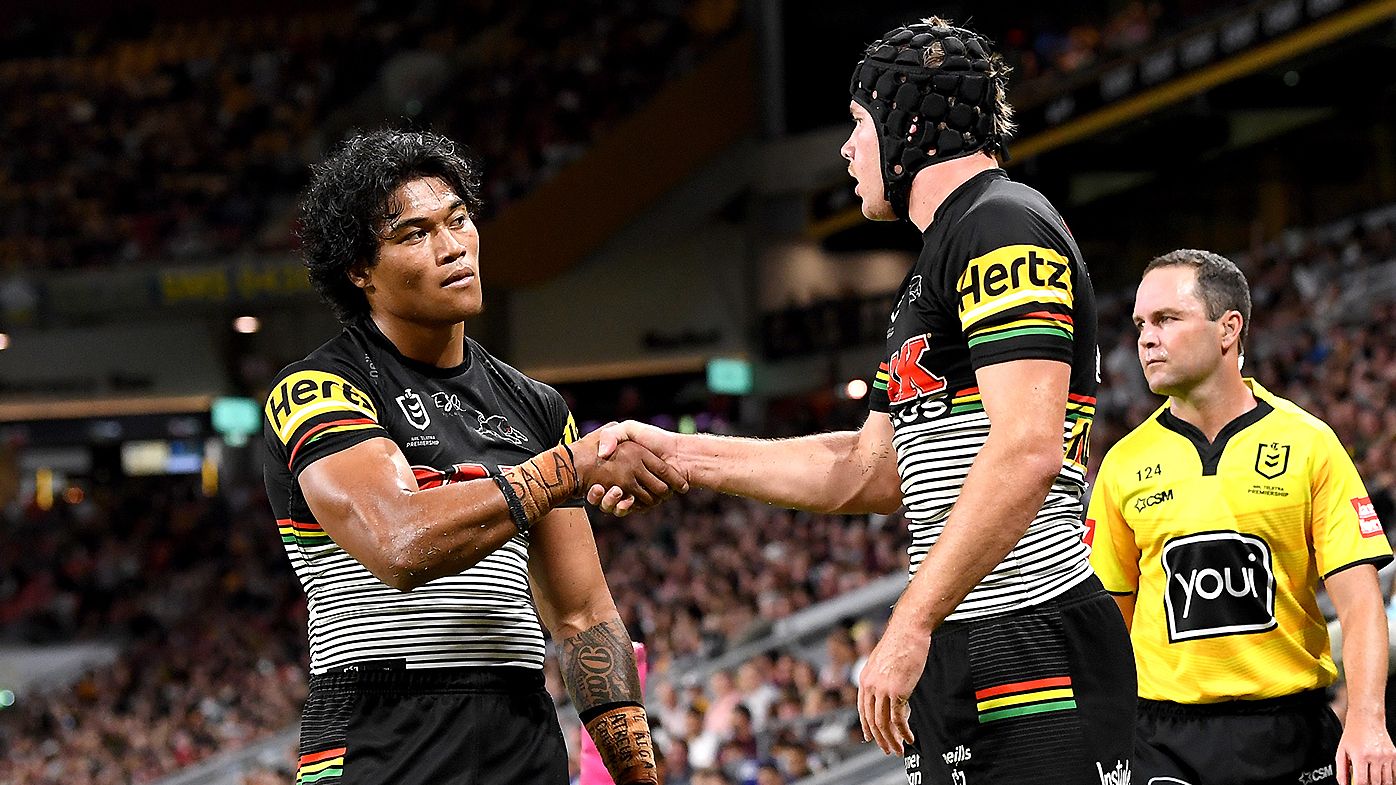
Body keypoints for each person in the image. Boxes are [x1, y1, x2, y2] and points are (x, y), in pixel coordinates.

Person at [589, 17, 1135, 784]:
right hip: (967, 637)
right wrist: (676, 451)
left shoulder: (1001, 223)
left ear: (909, 123)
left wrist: (910, 618)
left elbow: (1027, 446)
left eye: (858, 124)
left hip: (1027, 633)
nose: (848, 150)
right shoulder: (936, 262)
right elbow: (864, 469)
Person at [263, 128, 685, 785]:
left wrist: (637, 775)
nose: (453, 246)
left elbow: (584, 618)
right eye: (414, 233)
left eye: (459, 220)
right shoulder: (319, 389)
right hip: (376, 731)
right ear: (359, 269)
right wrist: (570, 466)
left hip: (520, 733)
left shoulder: (538, 408)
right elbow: (400, 542)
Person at [1088, 250, 1396, 785]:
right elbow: (1110, 616)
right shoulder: (1122, 465)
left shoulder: (1309, 445)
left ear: (1229, 329)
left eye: (1166, 319)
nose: (1145, 338)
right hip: (1164, 740)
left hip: (1290, 729)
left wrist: (1368, 718)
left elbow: (1362, 601)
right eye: (1140, 323)